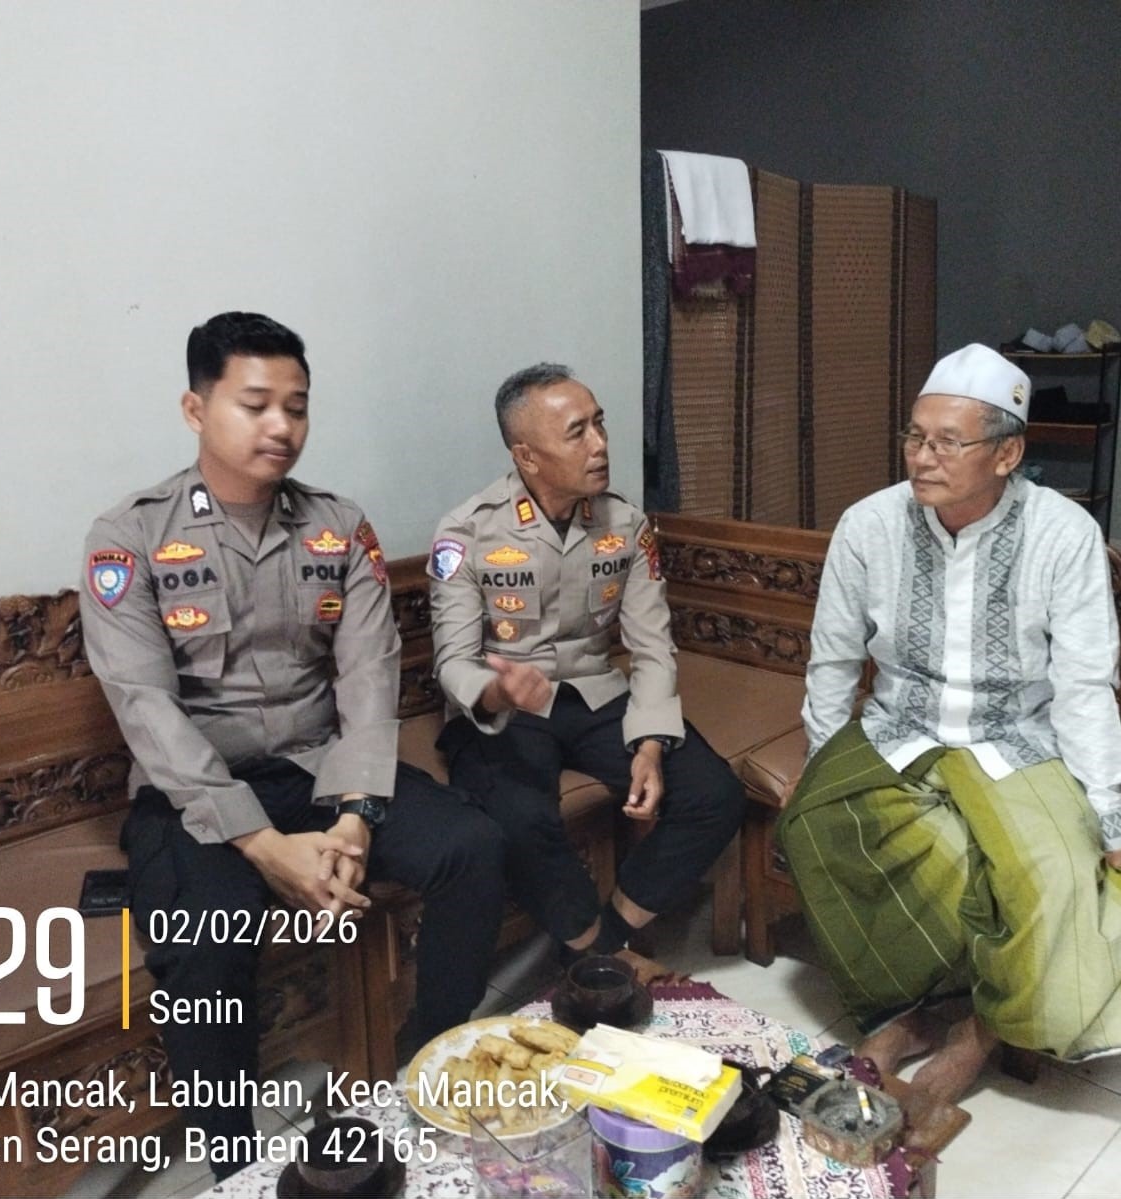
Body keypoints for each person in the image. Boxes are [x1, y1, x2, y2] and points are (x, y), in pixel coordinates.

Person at [80, 312, 505, 1176]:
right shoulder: (129, 536)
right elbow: (145, 708)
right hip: (199, 791)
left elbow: (368, 676)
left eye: (297, 406)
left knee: (473, 845)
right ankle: (234, 1166)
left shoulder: (338, 526)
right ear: (196, 409)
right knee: (202, 940)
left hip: (322, 770)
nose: (281, 425)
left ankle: (423, 1068)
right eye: (256, 403)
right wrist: (263, 845)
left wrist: (353, 817)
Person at [780, 343, 1121, 1104]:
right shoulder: (868, 524)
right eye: (915, 437)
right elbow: (832, 659)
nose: (922, 458)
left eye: (947, 442)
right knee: (815, 827)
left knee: (1057, 871)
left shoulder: (1062, 533)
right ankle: (905, 1015)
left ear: (1007, 453)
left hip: (1012, 736)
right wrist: (824, 763)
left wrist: (1113, 821)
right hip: (897, 727)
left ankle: (979, 1031)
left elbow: (1083, 683)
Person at [426, 363, 745, 958]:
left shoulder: (624, 522)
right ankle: (598, 951)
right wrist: (498, 693)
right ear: (527, 456)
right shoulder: (469, 531)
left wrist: (650, 743)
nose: (600, 444)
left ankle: (609, 940)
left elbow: (652, 644)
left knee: (714, 794)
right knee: (518, 820)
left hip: (595, 693)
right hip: (505, 708)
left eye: (600, 424)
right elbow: (453, 660)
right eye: (577, 432)